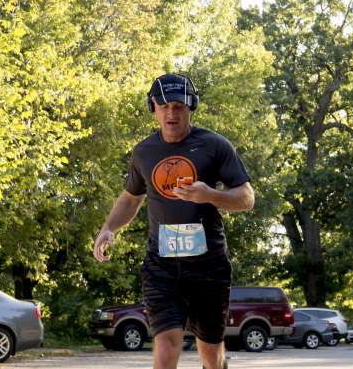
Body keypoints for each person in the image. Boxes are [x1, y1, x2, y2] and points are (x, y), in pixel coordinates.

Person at [93, 73, 255, 369]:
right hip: (162, 265)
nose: (171, 113)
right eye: (164, 105)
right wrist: (108, 228)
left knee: (211, 355)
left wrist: (210, 195)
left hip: (209, 266)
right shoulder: (144, 152)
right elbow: (131, 197)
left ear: (191, 106)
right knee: (166, 343)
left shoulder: (215, 145)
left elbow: (246, 198)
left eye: (179, 106)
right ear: (152, 108)